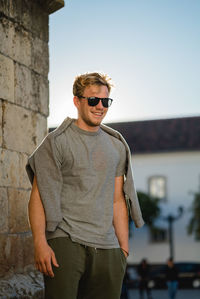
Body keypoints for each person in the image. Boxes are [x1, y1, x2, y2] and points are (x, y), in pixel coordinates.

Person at [26, 72, 144, 299]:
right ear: (77, 101)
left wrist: (123, 249)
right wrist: (40, 242)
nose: (100, 106)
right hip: (66, 241)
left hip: (108, 248)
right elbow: (39, 196)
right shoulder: (56, 142)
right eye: (93, 100)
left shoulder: (116, 146)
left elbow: (118, 199)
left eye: (105, 101)